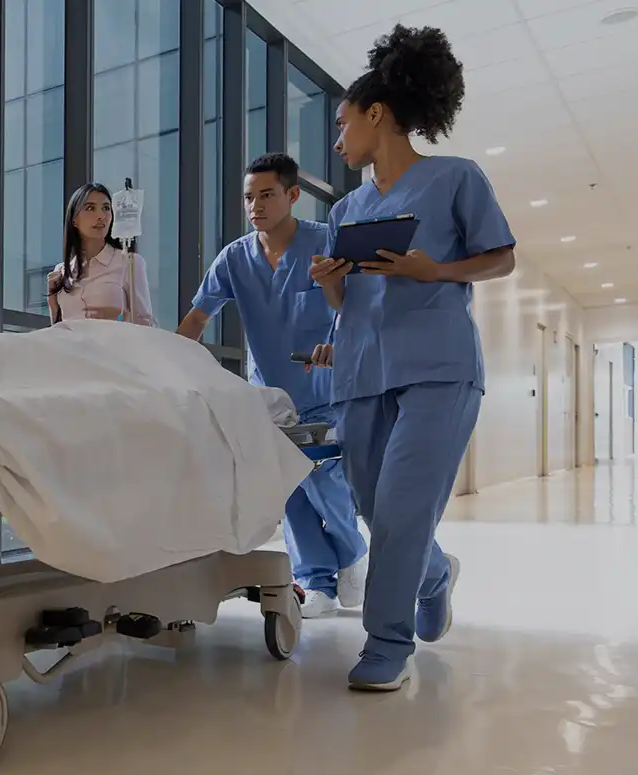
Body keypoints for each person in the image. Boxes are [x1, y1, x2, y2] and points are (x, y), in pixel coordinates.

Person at [306, 25, 516, 691]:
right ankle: (434, 571)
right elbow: (349, 306)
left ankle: (386, 644)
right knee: (376, 513)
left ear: (379, 114)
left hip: (438, 370)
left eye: (343, 124)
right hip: (362, 374)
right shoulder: (348, 208)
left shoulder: (455, 178)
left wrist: (437, 269)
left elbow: (503, 256)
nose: (338, 140)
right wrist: (330, 283)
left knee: (399, 511)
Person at [177, 152, 368, 619]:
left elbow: (361, 305)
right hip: (269, 398)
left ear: (292, 196)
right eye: (248, 197)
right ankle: (315, 580)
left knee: (324, 479)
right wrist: (171, 365)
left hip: (325, 390)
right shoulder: (235, 258)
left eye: (266, 195)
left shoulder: (326, 243)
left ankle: (354, 552)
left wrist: (344, 343)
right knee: (288, 489)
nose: (255, 205)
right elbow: (198, 317)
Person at [47, 182, 156, 327]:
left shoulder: (129, 263)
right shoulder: (61, 272)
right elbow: (57, 329)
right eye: (90, 208)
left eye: (106, 208)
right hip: (69, 348)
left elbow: (144, 322)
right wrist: (53, 303)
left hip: (112, 348)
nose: (101, 216)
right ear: (74, 220)